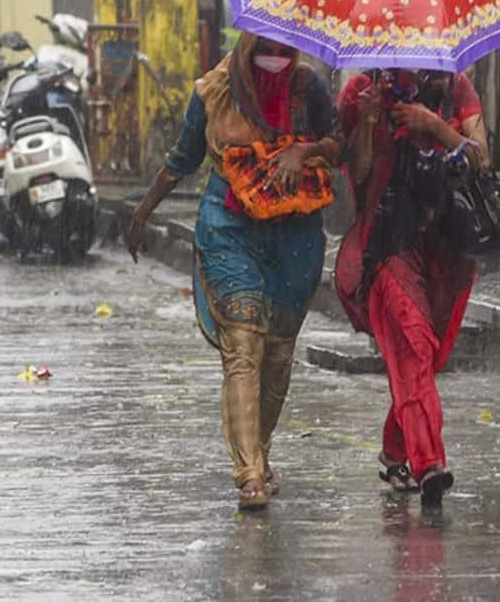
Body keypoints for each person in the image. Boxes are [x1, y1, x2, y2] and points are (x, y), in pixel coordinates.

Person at [127, 33, 342, 510]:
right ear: (247, 43)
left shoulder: (309, 88)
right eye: (267, 48)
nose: (276, 59)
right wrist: (142, 213)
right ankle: (249, 475)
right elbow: (181, 160)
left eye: (286, 51)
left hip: (296, 238)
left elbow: (340, 146)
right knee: (243, 348)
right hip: (230, 232)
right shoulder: (213, 92)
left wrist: (303, 153)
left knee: (278, 357)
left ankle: (260, 454)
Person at [333, 68, 489, 506]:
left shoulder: (455, 88)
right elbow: (358, 175)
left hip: (447, 251)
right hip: (387, 245)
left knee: (426, 358)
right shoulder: (364, 91)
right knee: (413, 343)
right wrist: (366, 121)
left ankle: (395, 451)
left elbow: (482, 159)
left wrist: (434, 125)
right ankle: (429, 464)